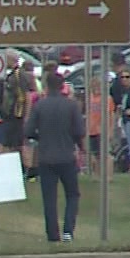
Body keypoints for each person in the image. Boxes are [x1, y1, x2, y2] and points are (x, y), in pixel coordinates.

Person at [23, 73, 84, 243]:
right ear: (62, 85)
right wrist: (78, 145)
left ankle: (52, 234)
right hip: (67, 156)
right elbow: (79, 131)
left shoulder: (40, 106)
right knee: (72, 194)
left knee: (49, 197)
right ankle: (68, 231)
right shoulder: (71, 106)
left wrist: (39, 136)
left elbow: (28, 132)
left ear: (46, 86)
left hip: (46, 157)